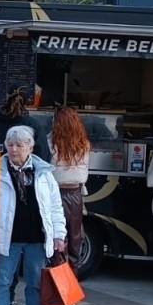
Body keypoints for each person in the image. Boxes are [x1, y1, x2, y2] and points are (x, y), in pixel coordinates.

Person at [0, 125, 67, 305]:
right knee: (2, 282)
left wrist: (58, 234)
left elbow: (55, 205)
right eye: (10, 144)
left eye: (19, 145)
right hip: (8, 236)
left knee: (35, 283)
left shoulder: (44, 172)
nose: (14, 149)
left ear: (31, 147)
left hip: (37, 236)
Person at [48, 106, 91, 261]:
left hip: (56, 193)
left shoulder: (51, 143)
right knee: (75, 239)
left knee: (57, 239)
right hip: (76, 194)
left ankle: (58, 274)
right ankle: (72, 277)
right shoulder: (84, 144)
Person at [0, 88, 49, 161]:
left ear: (6, 96)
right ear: (28, 101)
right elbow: (42, 155)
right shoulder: (34, 125)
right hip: (23, 170)